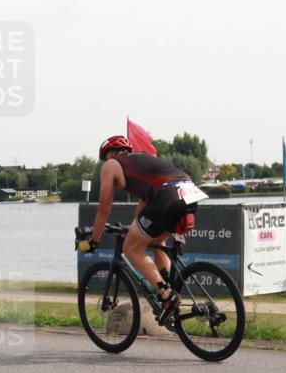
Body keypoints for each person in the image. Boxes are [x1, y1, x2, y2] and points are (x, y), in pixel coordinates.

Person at [84, 135, 208, 323]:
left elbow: (104, 208)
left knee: (130, 249)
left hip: (166, 195)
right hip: (189, 192)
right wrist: (135, 228)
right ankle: (169, 288)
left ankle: (167, 296)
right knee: (157, 241)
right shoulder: (141, 161)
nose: (105, 162)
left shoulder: (111, 165)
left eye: (105, 157)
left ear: (110, 153)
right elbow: (145, 202)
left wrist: (94, 240)